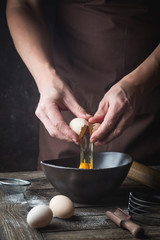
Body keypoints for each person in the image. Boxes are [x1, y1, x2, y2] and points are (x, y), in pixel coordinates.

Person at [6, 0, 160, 168]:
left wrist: (139, 84)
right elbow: (22, 5)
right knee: (57, 185)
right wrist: (46, 79)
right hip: (67, 95)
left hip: (147, 97)